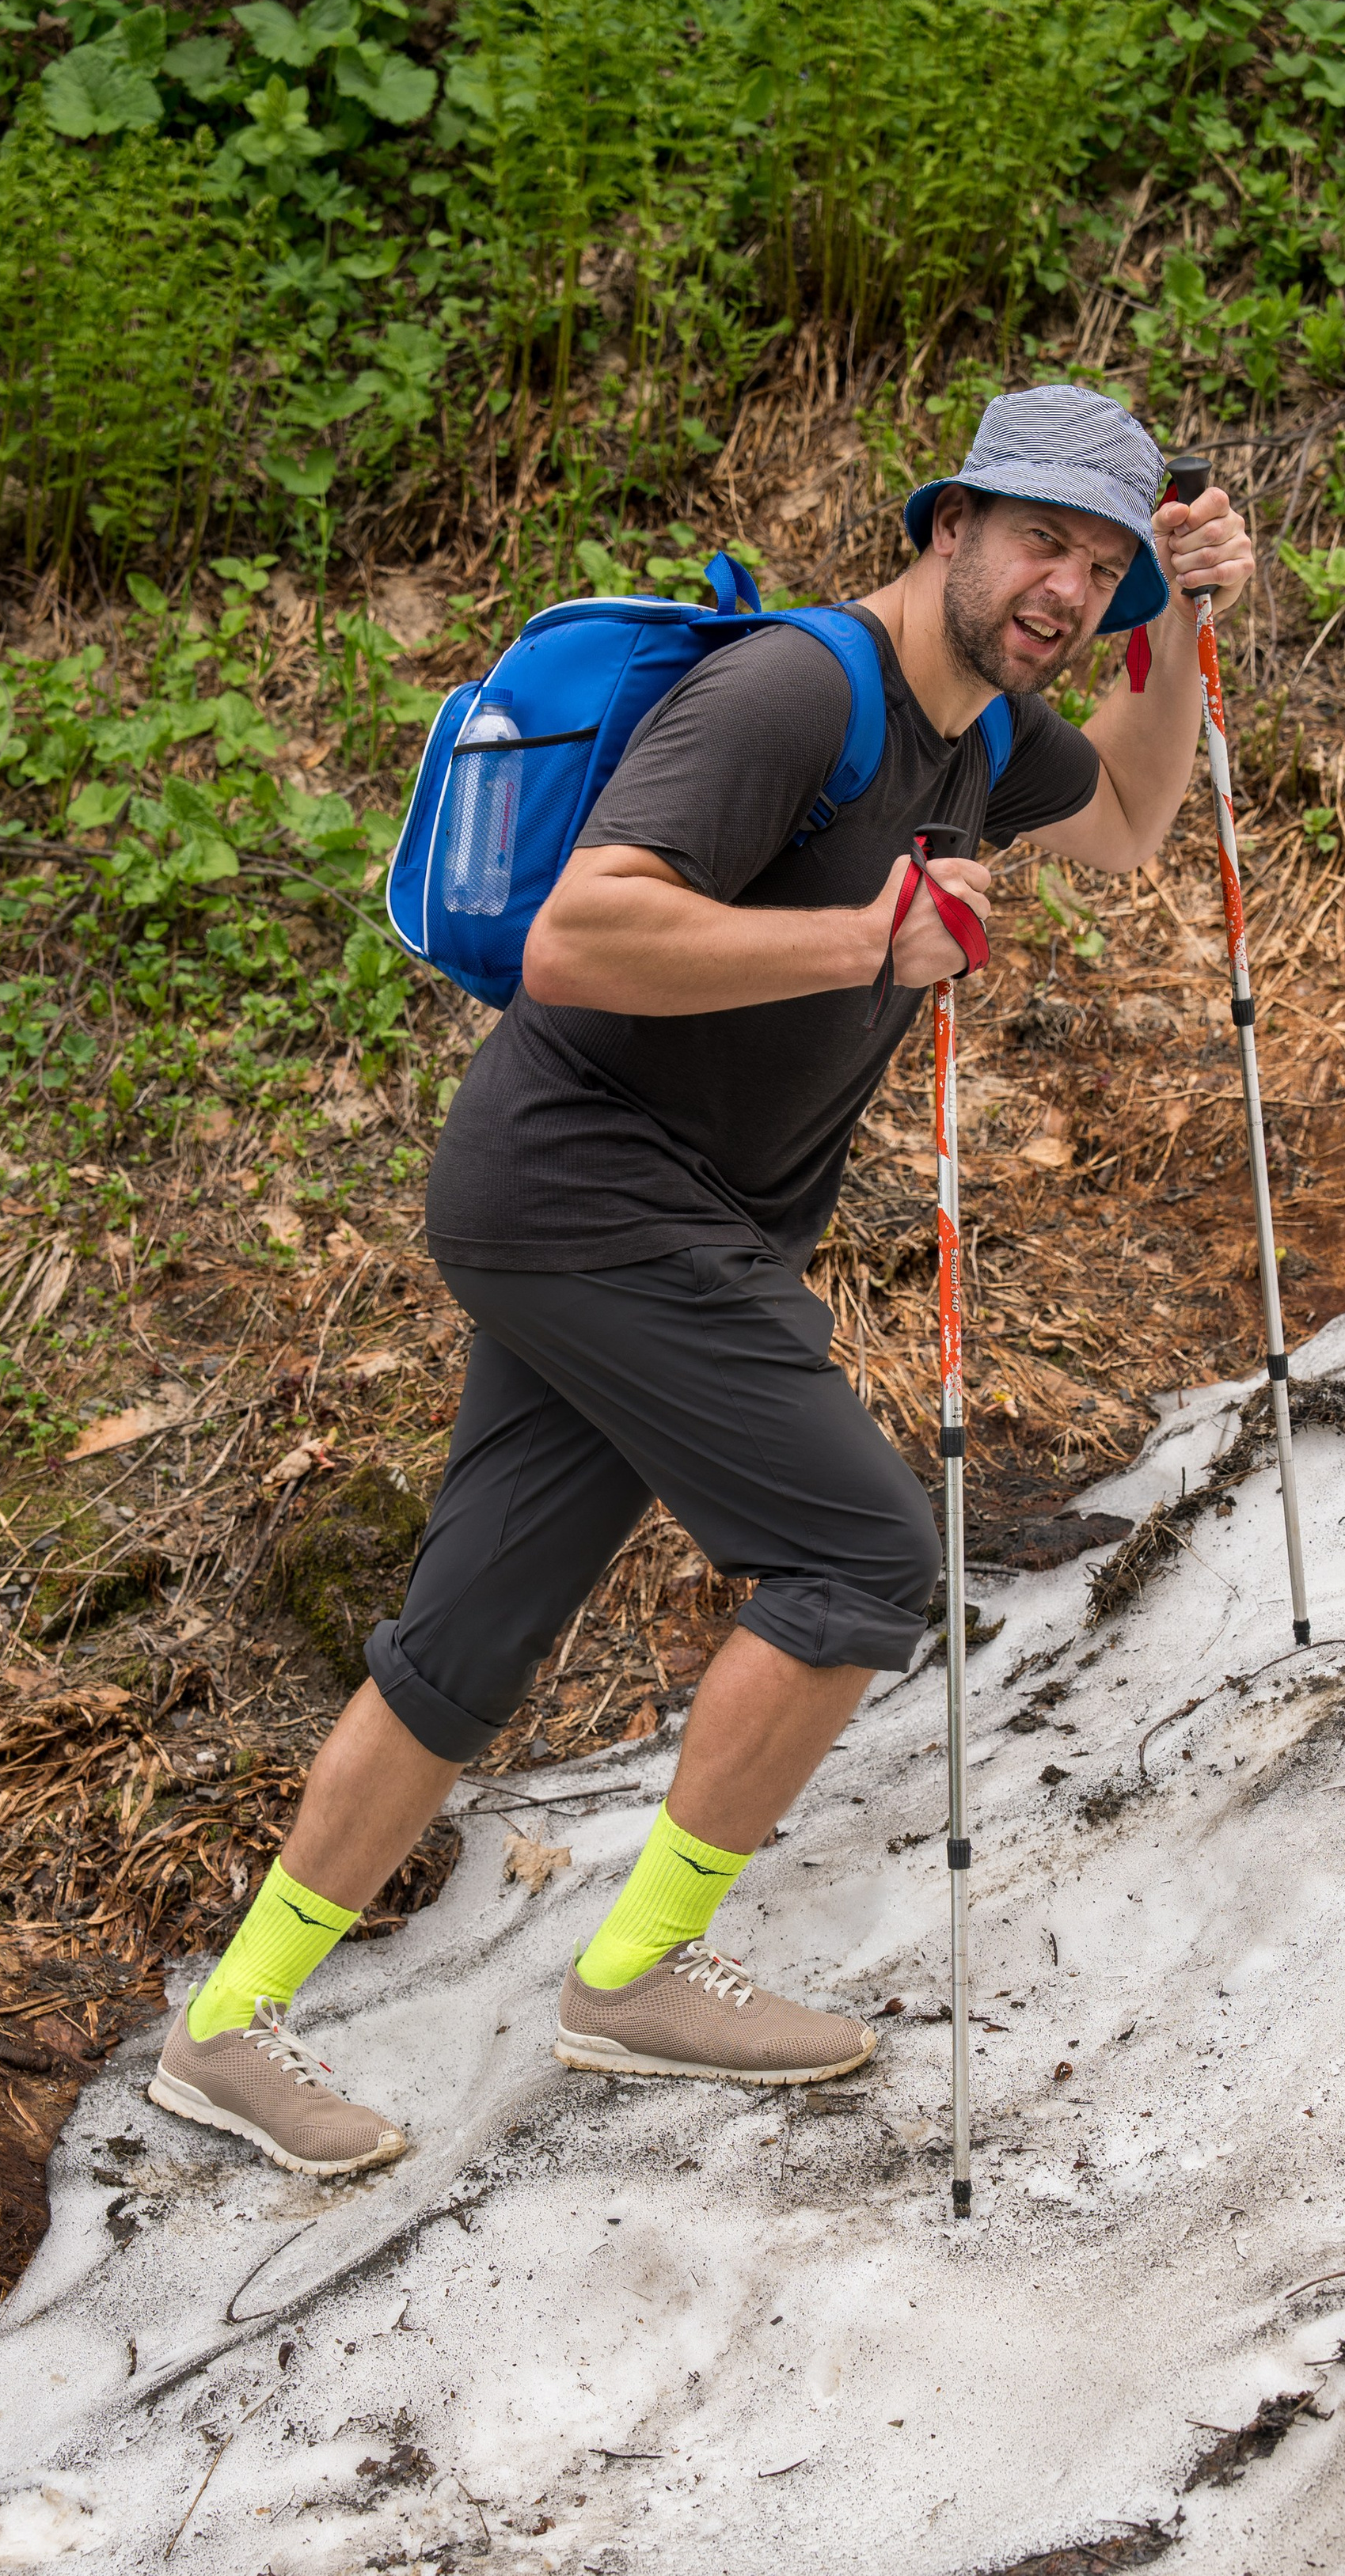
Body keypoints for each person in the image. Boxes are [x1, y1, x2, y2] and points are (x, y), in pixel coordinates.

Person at [148, 385, 1254, 2175]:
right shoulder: (797, 692)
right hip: (586, 1188)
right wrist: (865, 938)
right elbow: (583, 933)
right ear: (949, 523)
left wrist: (1184, 625)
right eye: (1040, 536)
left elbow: (1129, 821)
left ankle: (223, 2031)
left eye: (1101, 561)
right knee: (859, 1557)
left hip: (664, 1216)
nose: (1065, 583)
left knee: (472, 1633)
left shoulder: (982, 733)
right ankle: (641, 1970)